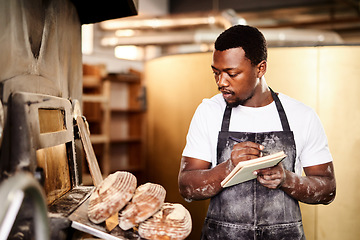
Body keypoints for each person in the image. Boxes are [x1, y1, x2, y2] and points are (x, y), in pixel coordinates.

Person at [178, 25, 336, 240]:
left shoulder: (302, 115)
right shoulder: (208, 112)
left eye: (232, 73)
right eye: (216, 73)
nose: (221, 82)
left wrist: (287, 179)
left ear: (260, 68)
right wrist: (228, 168)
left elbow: (327, 189)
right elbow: (187, 186)